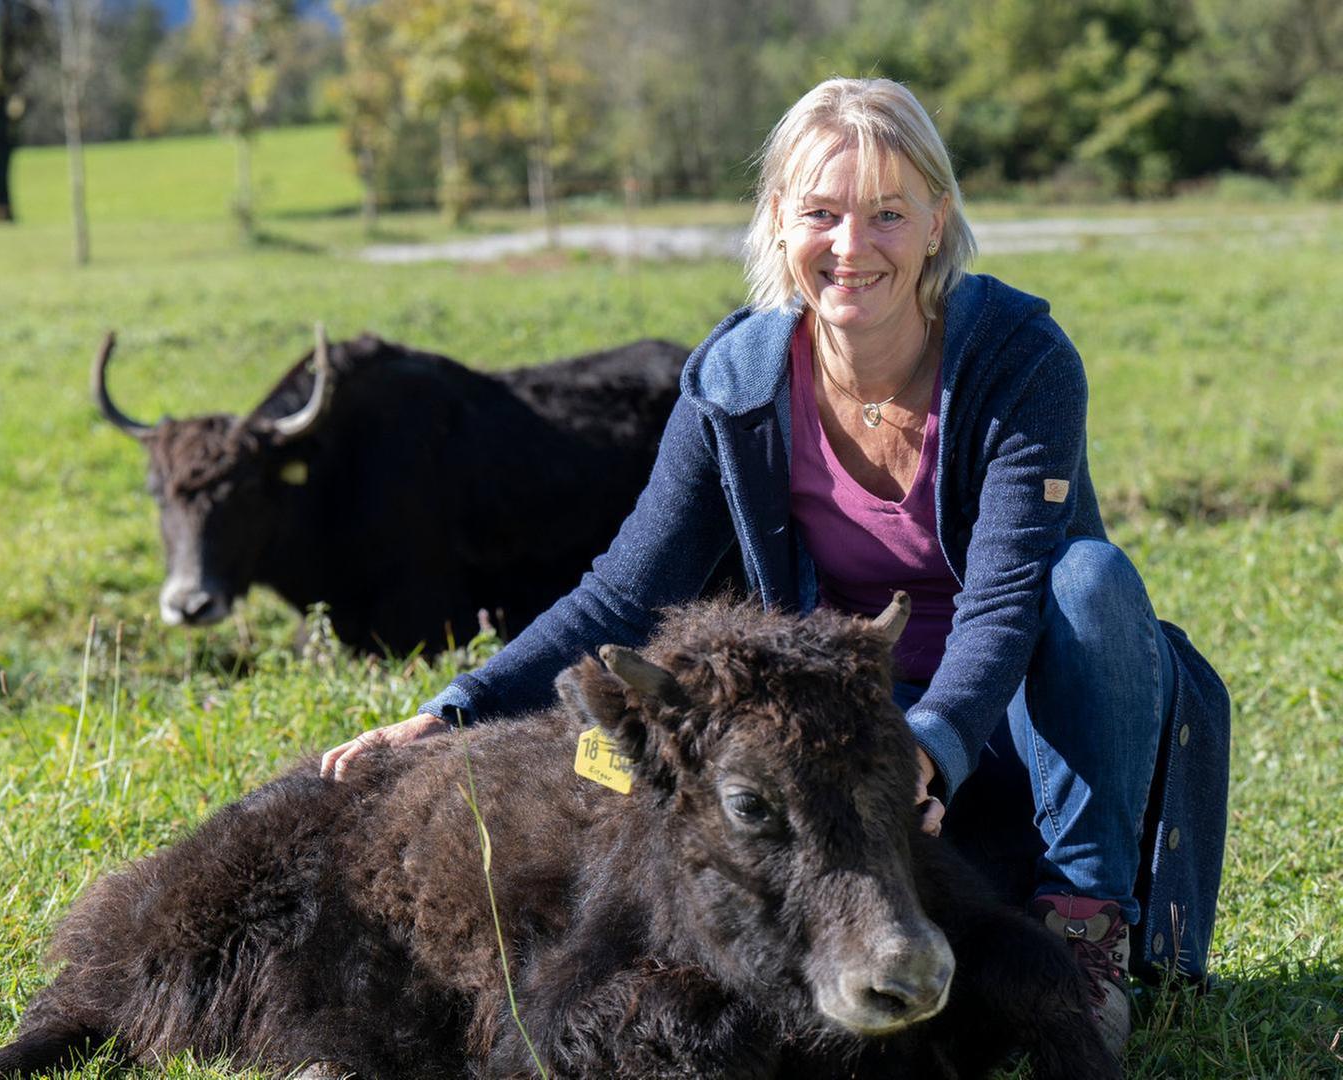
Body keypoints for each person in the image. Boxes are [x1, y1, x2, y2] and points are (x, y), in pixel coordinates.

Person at [319, 76, 1228, 1056]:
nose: (852, 246)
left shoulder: (1020, 361)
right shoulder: (737, 381)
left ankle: (1085, 926)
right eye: (822, 213)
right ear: (779, 221)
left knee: (1086, 581)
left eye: (888, 213)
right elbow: (624, 592)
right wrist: (455, 709)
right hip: (854, 732)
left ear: (938, 222)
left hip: (1025, 720)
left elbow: (1003, 608)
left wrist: (926, 749)